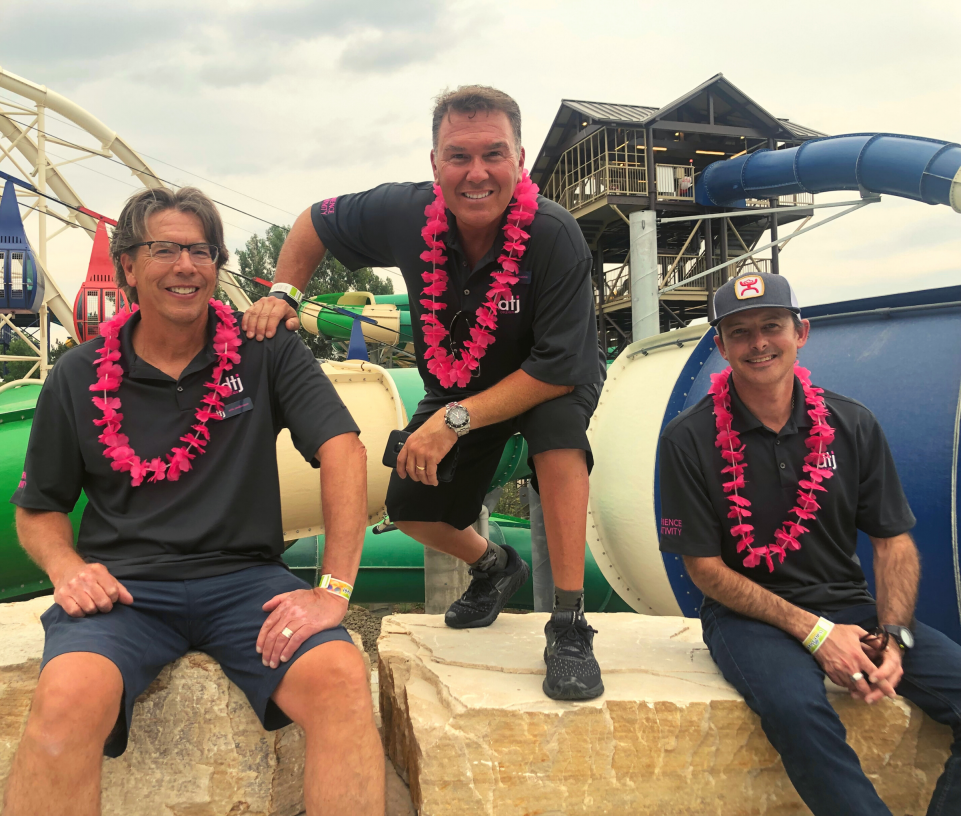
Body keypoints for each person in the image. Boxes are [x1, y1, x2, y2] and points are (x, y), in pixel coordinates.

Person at [3, 187, 384, 816]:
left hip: (247, 585)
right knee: (65, 698)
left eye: (201, 251)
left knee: (342, 680)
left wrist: (334, 590)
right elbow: (39, 507)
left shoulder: (265, 349)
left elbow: (344, 450)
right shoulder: (78, 373)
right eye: (165, 250)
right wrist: (67, 571)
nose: (186, 266)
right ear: (127, 265)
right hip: (125, 591)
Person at [242, 85, 607, 701]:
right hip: (458, 378)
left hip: (547, 380)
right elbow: (313, 221)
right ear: (433, 164)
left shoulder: (553, 232)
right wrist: (285, 292)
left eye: (494, 154)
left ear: (519, 159)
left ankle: (569, 624)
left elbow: (560, 367)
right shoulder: (406, 212)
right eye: (458, 156)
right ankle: (494, 564)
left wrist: (456, 420)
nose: (477, 173)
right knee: (410, 504)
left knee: (558, 436)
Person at [658, 271, 961, 816]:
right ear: (722, 347)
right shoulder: (688, 436)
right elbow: (702, 568)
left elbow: (894, 543)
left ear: (802, 332)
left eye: (771, 326)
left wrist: (894, 636)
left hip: (853, 605)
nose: (758, 344)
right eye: (740, 332)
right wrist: (816, 633)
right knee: (798, 710)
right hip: (747, 618)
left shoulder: (852, 423)